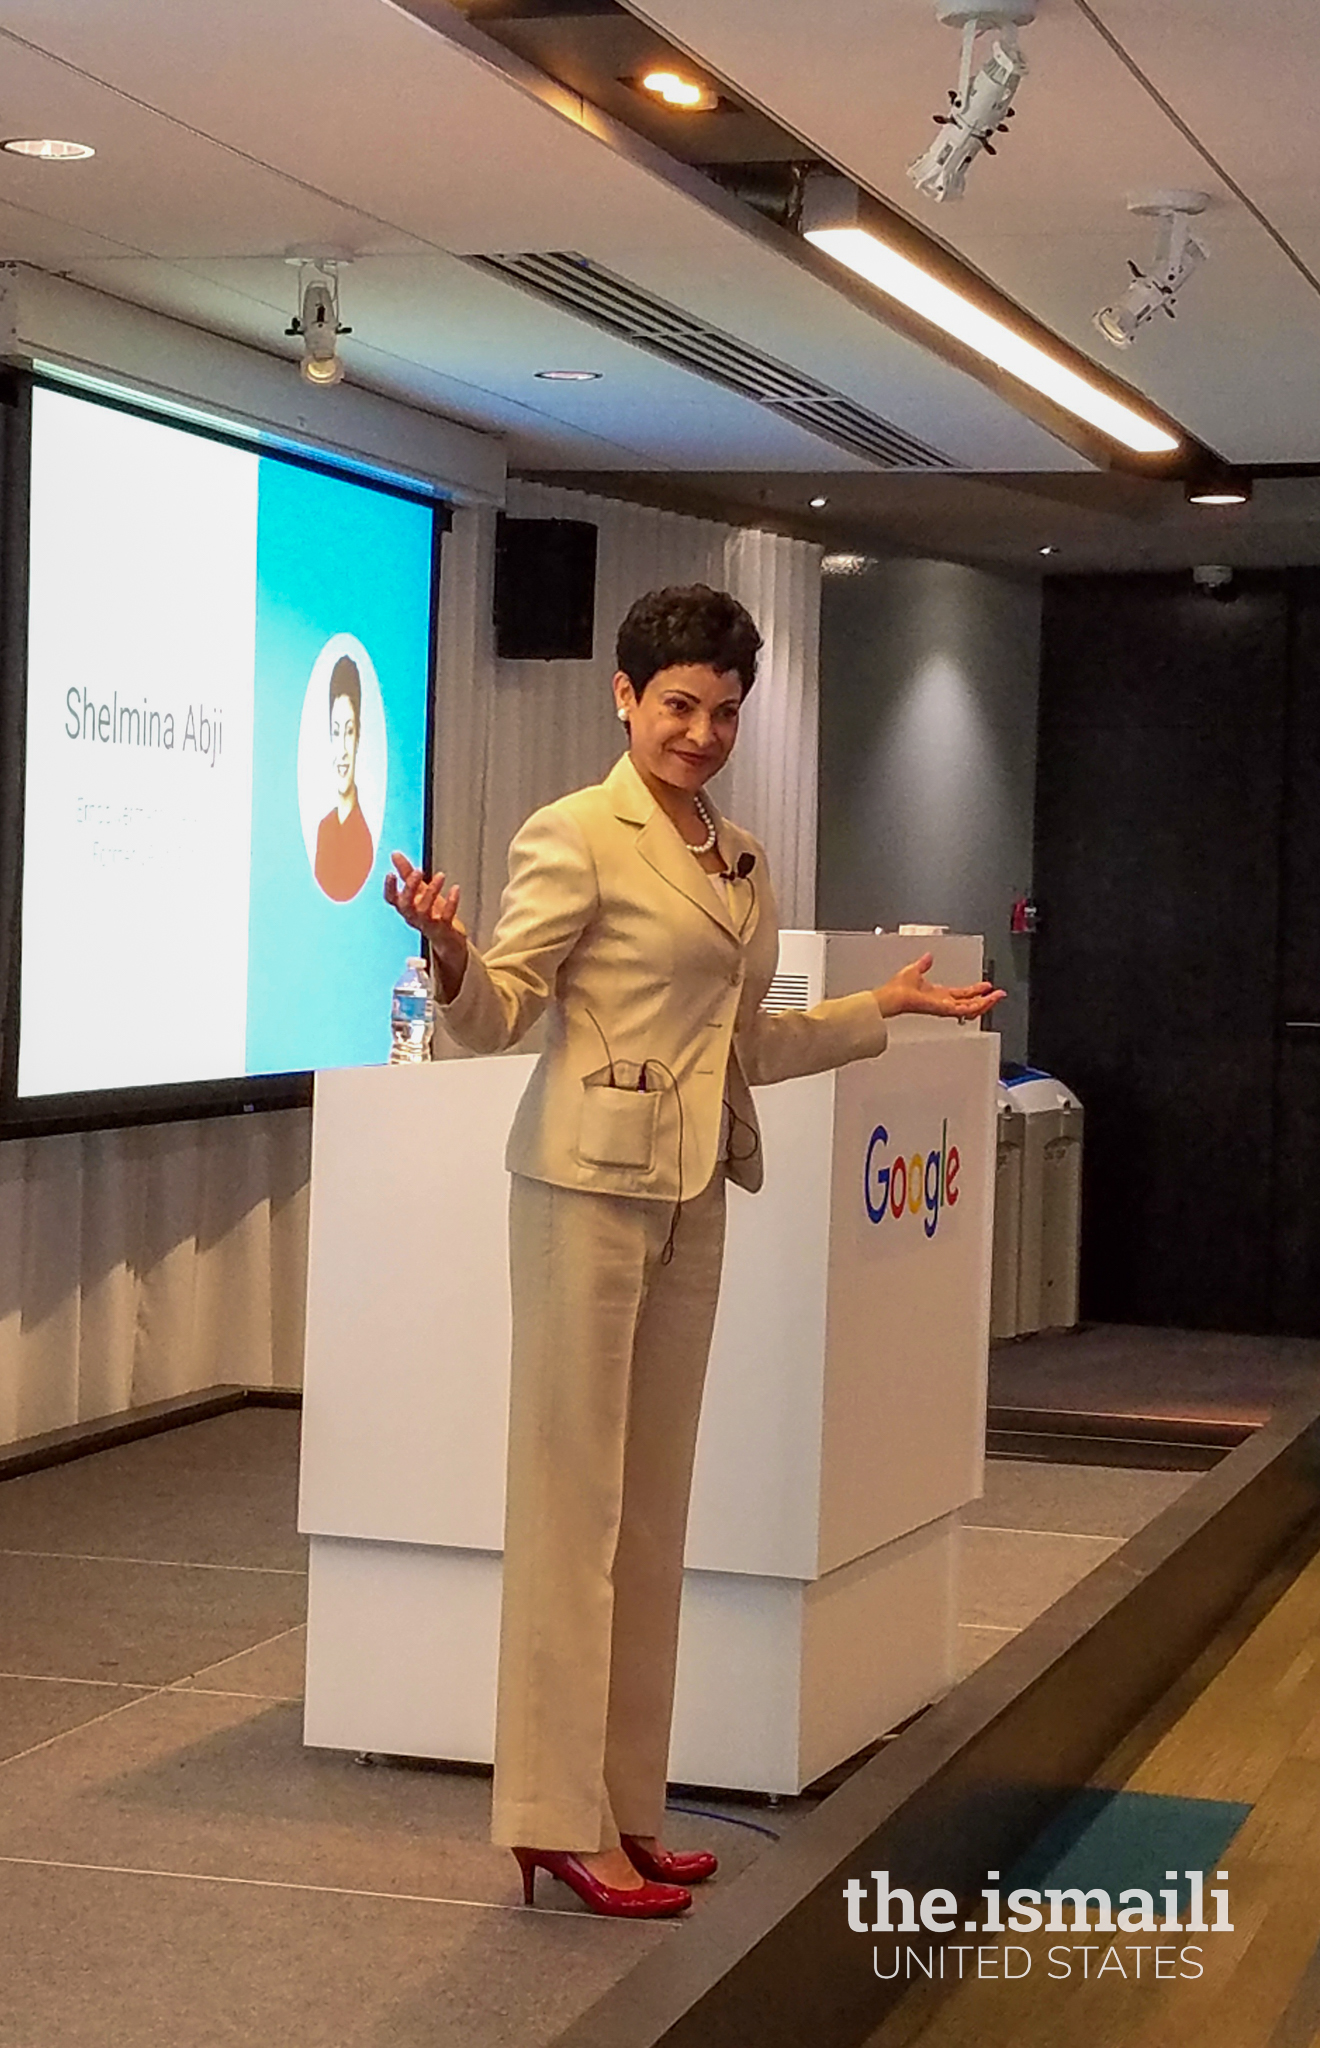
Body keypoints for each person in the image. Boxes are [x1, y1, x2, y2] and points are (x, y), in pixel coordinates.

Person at [385, 585, 1002, 1920]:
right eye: (679, 705)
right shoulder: (576, 835)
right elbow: (501, 1021)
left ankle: (623, 1804)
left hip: (690, 1197)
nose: (702, 731)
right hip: (581, 1195)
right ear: (624, 696)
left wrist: (876, 1010)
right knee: (570, 1516)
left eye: (724, 710)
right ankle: (553, 1819)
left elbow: (739, 1049)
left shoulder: (741, 856)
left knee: (651, 1522)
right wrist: (447, 953)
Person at [314, 654, 374, 902]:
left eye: (349, 732)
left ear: (358, 737)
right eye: (335, 732)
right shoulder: (323, 830)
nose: (342, 750)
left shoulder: (364, 839)